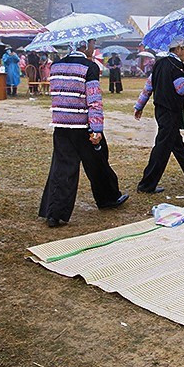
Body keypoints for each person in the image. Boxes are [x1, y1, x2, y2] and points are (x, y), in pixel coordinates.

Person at [38, 39, 128, 227]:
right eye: (92, 44)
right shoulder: (89, 67)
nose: (93, 47)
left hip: (61, 124)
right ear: (84, 45)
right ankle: (108, 198)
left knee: (62, 168)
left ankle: (54, 213)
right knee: (98, 161)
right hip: (82, 125)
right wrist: (96, 129)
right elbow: (94, 100)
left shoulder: (55, 66)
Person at [134, 36, 184, 194]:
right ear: (179, 49)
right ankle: (147, 185)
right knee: (162, 148)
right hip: (171, 111)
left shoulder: (159, 63)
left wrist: (139, 105)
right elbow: (181, 88)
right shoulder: (176, 65)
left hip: (160, 110)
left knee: (175, 141)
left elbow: (149, 86)